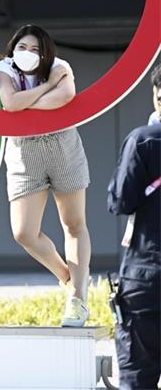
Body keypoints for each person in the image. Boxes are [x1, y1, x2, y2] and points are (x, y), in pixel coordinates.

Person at [0, 24, 92, 327]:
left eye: (35, 49)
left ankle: (77, 296)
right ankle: (69, 277)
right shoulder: (4, 68)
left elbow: (65, 98)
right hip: (24, 151)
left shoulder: (60, 66)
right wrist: (47, 87)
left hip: (62, 144)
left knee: (74, 224)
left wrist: (29, 103)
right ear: (12, 49)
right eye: (22, 47)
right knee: (24, 232)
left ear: (46, 52)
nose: (28, 53)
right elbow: (9, 103)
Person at [107, 63, 160, 390]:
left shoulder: (143, 141)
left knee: (137, 380)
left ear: (157, 94)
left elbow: (120, 202)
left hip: (147, 275)